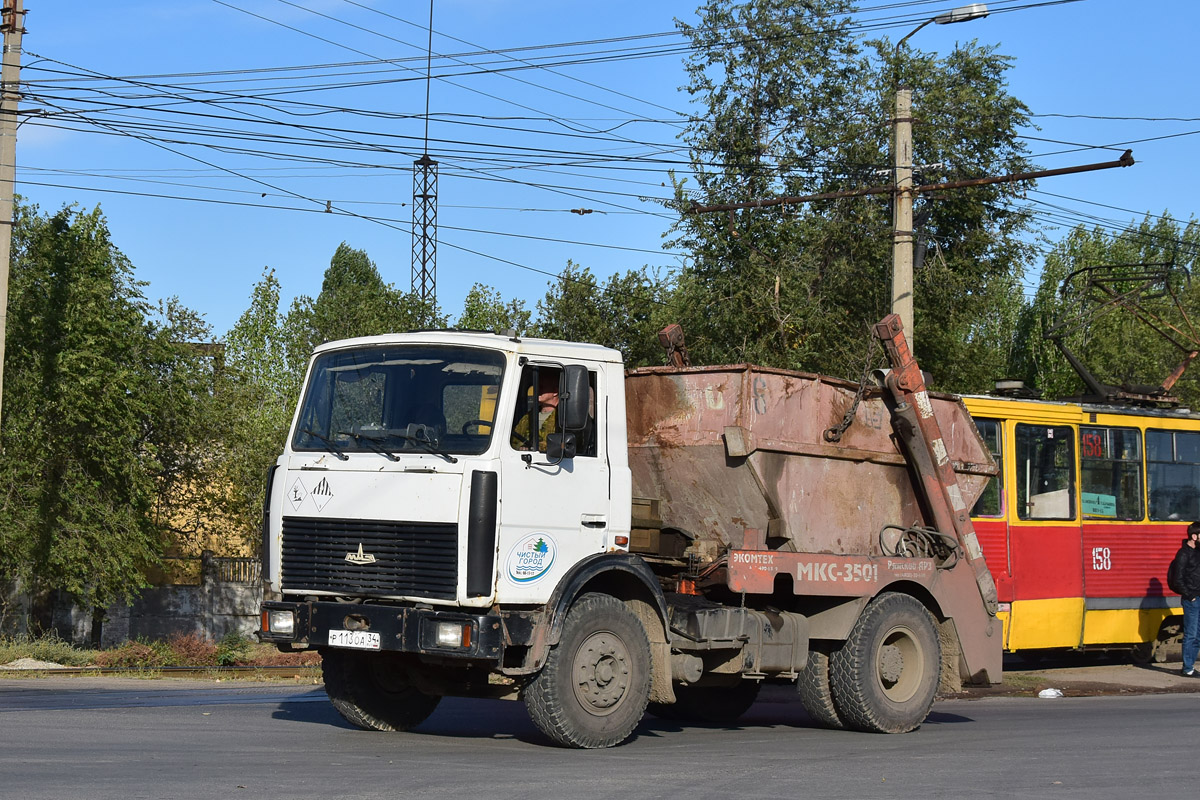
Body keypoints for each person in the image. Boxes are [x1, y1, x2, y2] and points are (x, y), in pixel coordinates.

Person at [1170, 522, 1200, 677]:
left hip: (1198, 597)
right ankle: (1187, 668)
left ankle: (1191, 666)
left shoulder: (1198, 552)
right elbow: (1178, 579)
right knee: (1191, 633)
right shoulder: (1183, 554)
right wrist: (1191, 596)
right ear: (1194, 536)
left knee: (1198, 635)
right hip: (1192, 600)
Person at [511, 369, 559, 452]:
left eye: (541, 387)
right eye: (536, 387)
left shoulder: (564, 418)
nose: (537, 390)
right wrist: (521, 447)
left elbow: (562, 446)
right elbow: (513, 440)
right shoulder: (528, 417)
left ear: (555, 392)